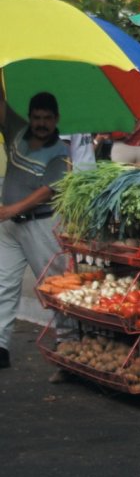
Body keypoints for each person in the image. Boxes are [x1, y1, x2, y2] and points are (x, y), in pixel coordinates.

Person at [0, 90, 70, 370]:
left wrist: (10, 210)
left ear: (57, 119)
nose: (41, 124)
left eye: (47, 119)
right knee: (3, 284)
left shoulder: (60, 153)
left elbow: (45, 192)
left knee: (55, 285)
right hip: (10, 228)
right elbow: (1, 105)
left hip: (41, 225)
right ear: (29, 117)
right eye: (37, 118)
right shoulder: (17, 129)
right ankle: (0, 345)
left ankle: (66, 342)